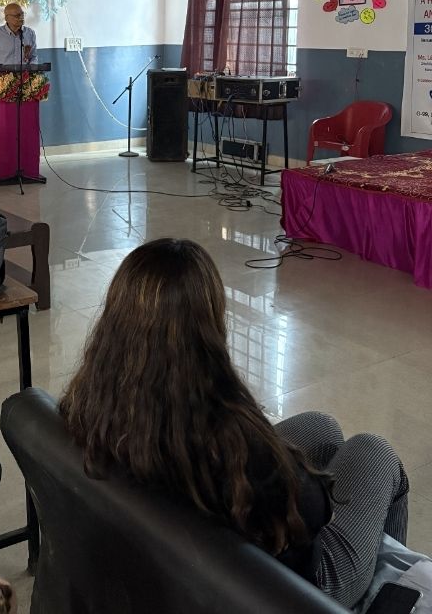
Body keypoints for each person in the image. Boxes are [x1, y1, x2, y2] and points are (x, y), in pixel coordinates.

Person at [60, 239, 409, 610]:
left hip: (188, 550)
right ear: (208, 327)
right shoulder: (231, 438)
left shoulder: (91, 400)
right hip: (294, 588)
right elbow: (311, 511)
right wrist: (315, 486)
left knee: (321, 427)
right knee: (374, 451)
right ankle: (389, 593)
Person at [0, 4, 37, 170]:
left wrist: (32, 69)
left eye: (22, 14)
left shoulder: (29, 33)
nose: (21, 18)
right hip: (2, 85)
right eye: (16, 15)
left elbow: (33, 56)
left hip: (24, 85)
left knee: (22, 123)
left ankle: (20, 162)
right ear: (6, 17)